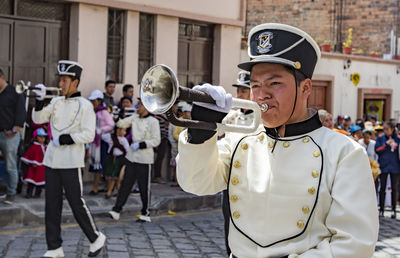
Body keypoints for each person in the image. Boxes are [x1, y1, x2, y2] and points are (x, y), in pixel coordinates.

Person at [176, 23, 378, 257]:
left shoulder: (344, 153)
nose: (262, 94)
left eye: (274, 83)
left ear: (306, 88)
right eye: (255, 85)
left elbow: (355, 244)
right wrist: (202, 132)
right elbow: (196, 183)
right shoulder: (241, 138)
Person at [32, 60, 106, 257]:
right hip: (52, 160)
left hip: (71, 161)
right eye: (60, 80)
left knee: (76, 202)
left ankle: (96, 237)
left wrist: (67, 138)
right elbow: (38, 119)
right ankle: (54, 247)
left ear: (76, 82)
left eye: (65, 80)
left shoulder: (85, 106)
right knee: (51, 205)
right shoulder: (55, 102)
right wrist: (39, 101)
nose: (61, 84)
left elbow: (89, 134)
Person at [108, 98, 160, 222]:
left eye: (141, 105)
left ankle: (145, 213)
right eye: (138, 105)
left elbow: (156, 140)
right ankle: (116, 210)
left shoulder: (153, 121)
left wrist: (142, 144)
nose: (138, 107)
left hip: (144, 158)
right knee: (126, 184)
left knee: (144, 187)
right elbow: (122, 124)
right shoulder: (135, 118)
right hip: (132, 157)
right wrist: (116, 116)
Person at [0, 68, 26, 204]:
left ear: (2, 78)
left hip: (9, 135)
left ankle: (11, 193)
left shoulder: (14, 92)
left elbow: (21, 111)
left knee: (11, 165)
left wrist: (15, 129)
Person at [87, 89, 114, 195]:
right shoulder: (92, 111)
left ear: (99, 100)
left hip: (102, 142)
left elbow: (111, 125)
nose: (93, 102)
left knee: (100, 165)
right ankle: (97, 187)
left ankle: (98, 188)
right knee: (96, 165)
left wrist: (100, 130)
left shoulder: (104, 111)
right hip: (94, 141)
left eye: (94, 100)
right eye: (92, 101)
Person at [375, 121, 400, 218]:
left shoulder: (397, 139)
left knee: (395, 188)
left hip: (395, 166)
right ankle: (381, 209)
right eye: (384, 129)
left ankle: (394, 209)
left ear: (392, 129)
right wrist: (386, 144)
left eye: (387, 129)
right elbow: (377, 150)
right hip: (384, 165)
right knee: (382, 188)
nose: (385, 131)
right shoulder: (380, 138)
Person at [102, 125, 129, 199]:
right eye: (123, 130)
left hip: (119, 160)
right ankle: (119, 191)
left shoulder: (124, 140)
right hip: (111, 158)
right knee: (110, 176)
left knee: (115, 176)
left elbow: (127, 150)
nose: (125, 132)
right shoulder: (110, 137)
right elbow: (102, 136)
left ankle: (109, 192)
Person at [21, 128, 47, 198]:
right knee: (31, 181)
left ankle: (37, 194)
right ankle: (29, 193)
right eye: (40, 137)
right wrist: (32, 162)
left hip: (41, 168)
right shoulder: (33, 147)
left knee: (40, 182)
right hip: (33, 168)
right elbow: (29, 155)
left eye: (44, 137)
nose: (42, 139)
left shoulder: (44, 147)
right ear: (35, 138)